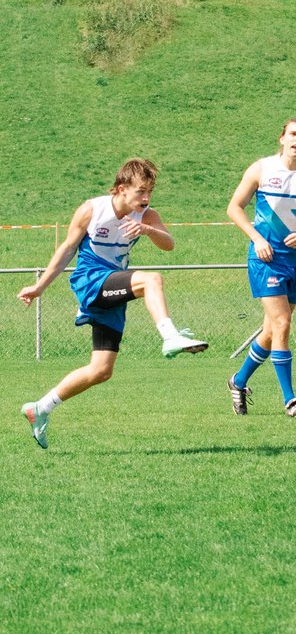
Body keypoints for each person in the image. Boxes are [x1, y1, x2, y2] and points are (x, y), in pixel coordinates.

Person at [17, 158, 206, 450]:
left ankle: (41, 408)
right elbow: (67, 249)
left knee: (101, 370)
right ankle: (170, 336)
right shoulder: (92, 209)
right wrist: (40, 286)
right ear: (121, 189)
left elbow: (169, 244)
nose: (146, 198)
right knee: (151, 280)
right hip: (91, 280)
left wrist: (148, 231)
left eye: (150, 192)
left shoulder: (147, 215)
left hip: (114, 286)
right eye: (141, 192)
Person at [227, 118, 296, 416]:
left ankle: (237, 381)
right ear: (281, 138)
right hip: (265, 257)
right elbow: (234, 207)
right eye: (292, 134)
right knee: (283, 325)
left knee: (271, 330)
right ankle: (290, 400)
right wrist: (256, 238)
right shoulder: (262, 168)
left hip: (294, 258)